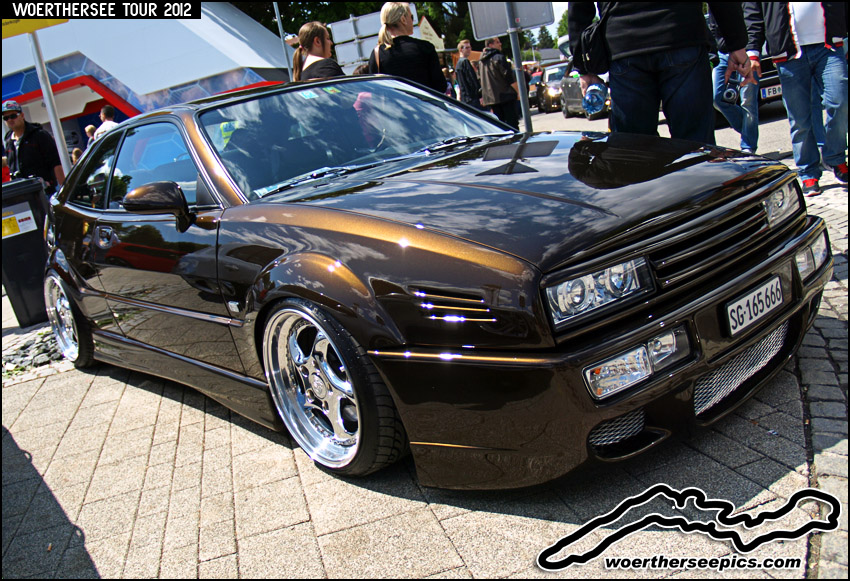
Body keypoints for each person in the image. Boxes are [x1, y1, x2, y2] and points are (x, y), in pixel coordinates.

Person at [568, 3, 753, 143]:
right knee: (695, 146)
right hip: (681, 32)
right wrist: (735, 43)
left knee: (636, 153)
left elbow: (578, 8)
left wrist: (583, 67)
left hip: (624, 44)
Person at [744, 2, 848, 196]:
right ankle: (808, 171)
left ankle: (835, 157)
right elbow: (753, 14)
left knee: (840, 101)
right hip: (788, 51)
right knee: (799, 118)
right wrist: (753, 52)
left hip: (829, 45)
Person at [709, 10, 760, 153]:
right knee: (717, 98)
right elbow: (713, 25)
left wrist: (752, 51)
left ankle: (748, 147)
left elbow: (753, 20)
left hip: (746, 51)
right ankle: (749, 131)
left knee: (748, 102)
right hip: (722, 52)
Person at [367, 2, 446, 93]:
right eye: (411, 17)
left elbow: (374, 90)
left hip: (394, 102)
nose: (413, 21)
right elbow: (440, 86)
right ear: (403, 19)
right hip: (422, 101)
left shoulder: (377, 53)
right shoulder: (425, 48)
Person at [2, 100, 64, 194]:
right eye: (6, 118)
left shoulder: (39, 135)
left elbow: (56, 163)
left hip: (44, 191)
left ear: (22, 115)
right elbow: (12, 168)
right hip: (21, 194)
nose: (10, 120)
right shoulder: (8, 140)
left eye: (13, 116)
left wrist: (63, 190)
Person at [479, 37, 519, 130]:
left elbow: (481, 80)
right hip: (506, 96)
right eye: (497, 42)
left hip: (492, 99)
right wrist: (517, 92)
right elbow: (509, 77)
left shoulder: (481, 62)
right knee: (513, 126)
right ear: (490, 45)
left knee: (501, 127)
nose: (500, 44)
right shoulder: (499, 57)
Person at [456, 39, 485, 109]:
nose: (469, 50)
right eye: (467, 48)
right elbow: (471, 80)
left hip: (465, 98)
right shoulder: (465, 62)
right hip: (472, 98)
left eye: (470, 47)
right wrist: (480, 95)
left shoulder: (458, 64)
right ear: (461, 49)